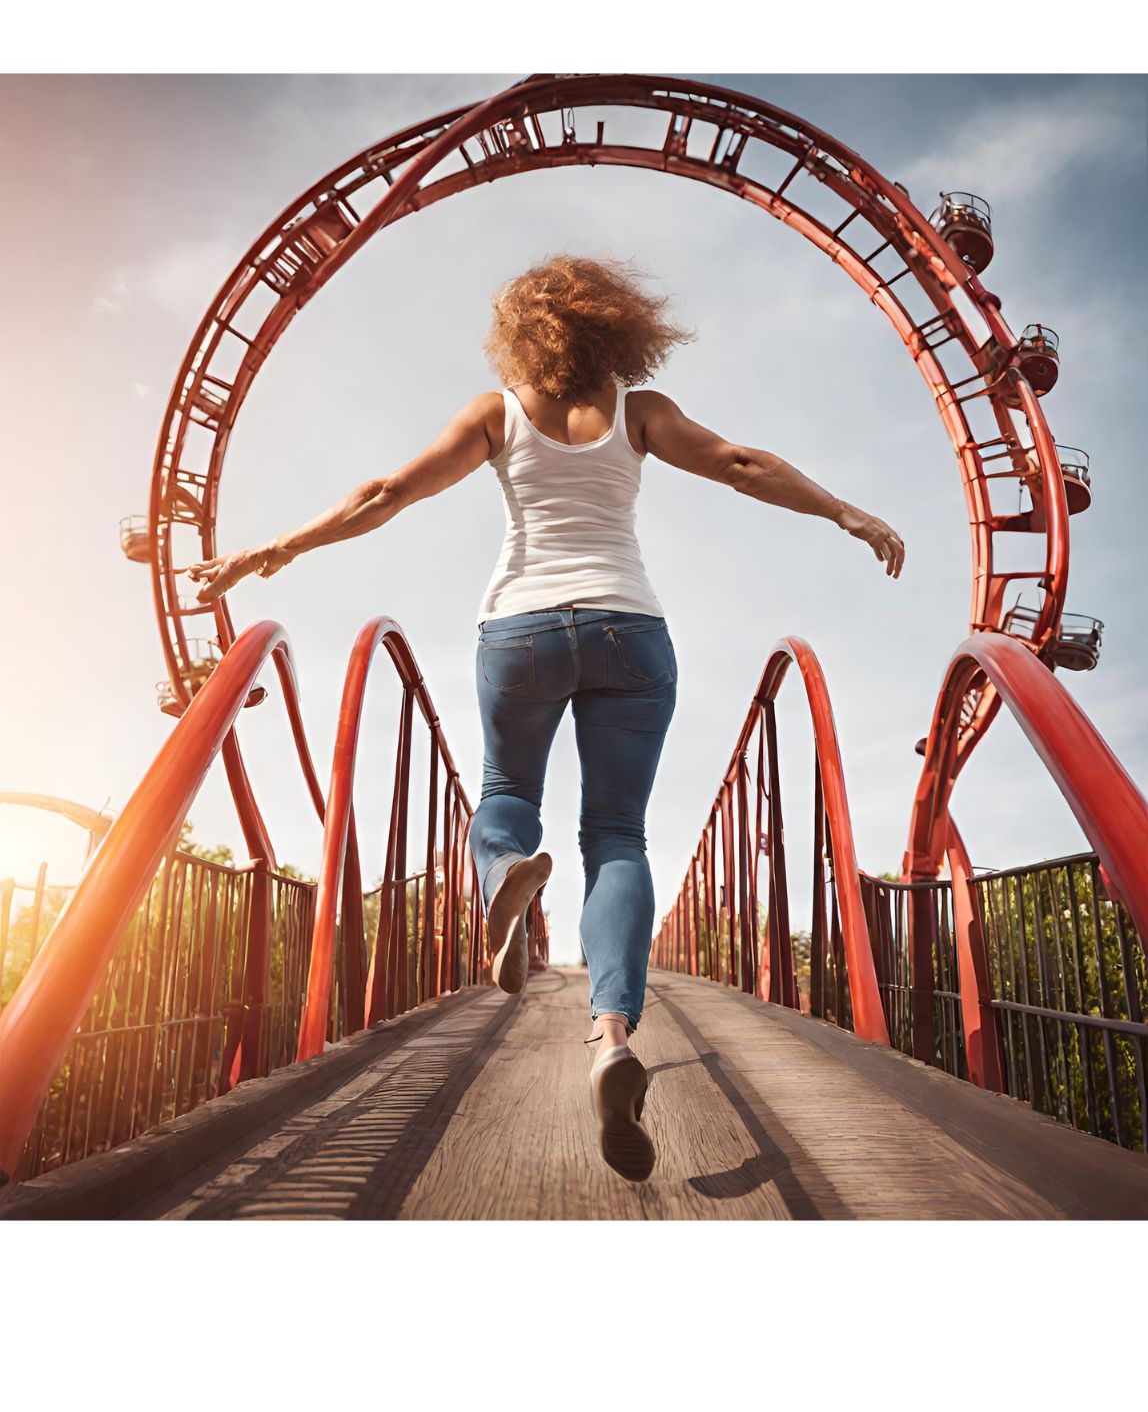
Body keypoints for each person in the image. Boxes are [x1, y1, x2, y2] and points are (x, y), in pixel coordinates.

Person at [187, 252, 905, 1183]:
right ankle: (609, 1038)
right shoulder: (639, 408)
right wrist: (844, 511)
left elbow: (386, 494)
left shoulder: (497, 410)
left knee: (503, 793)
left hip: (520, 628)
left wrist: (274, 547)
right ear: (620, 325)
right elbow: (740, 464)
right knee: (616, 835)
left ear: (522, 331)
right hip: (629, 630)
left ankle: (502, 882)